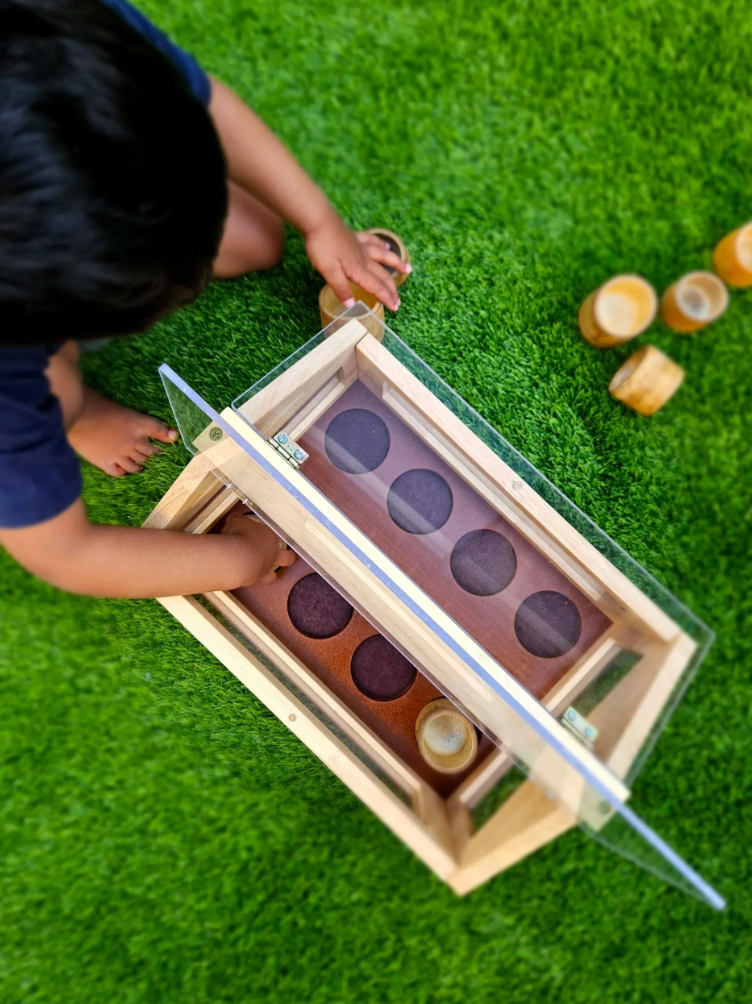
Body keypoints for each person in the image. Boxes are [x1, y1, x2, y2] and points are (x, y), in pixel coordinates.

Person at [0, 0, 410, 597]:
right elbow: (69, 556)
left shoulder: (64, 43)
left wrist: (319, 220)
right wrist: (246, 555)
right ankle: (77, 412)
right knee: (51, 395)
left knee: (258, 238)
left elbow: (204, 97)